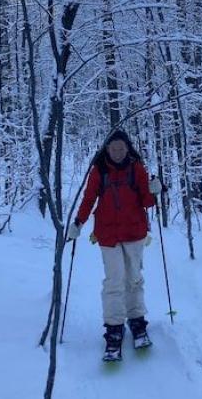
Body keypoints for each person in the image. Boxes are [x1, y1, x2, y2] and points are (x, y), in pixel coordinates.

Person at [68, 130, 162, 362]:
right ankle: (114, 329)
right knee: (114, 281)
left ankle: (137, 323)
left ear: (127, 148)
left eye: (121, 148)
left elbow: (147, 202)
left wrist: (156, 190)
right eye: (113, 148)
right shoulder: (99, 171)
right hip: (108, 234)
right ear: (107, 149)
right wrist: (78, 222)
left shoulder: (137, 169)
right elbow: (89, 199)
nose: (118, 152)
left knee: (134, 279)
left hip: (134, 233)